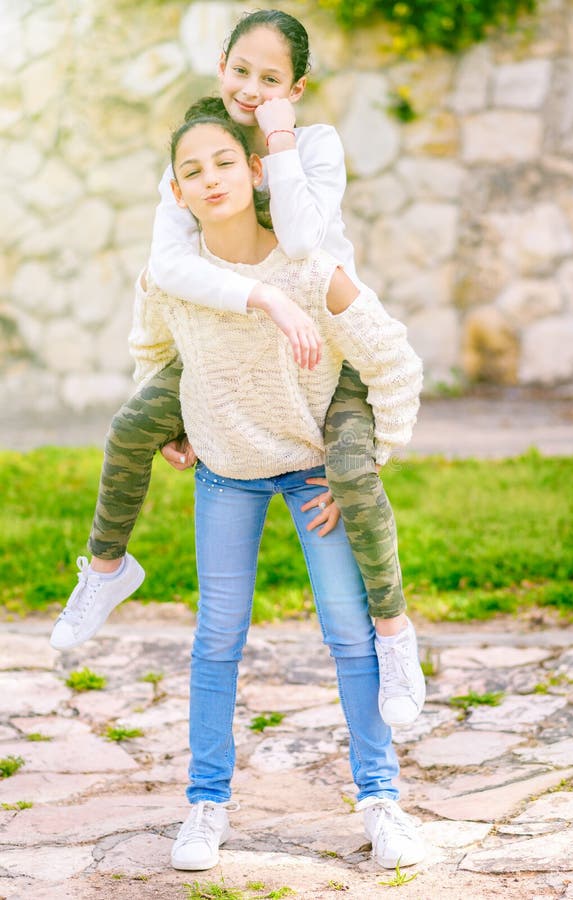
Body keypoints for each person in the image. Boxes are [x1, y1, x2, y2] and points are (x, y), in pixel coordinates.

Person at [50, 8, 425, 729]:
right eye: (242, 71)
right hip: (222, 342)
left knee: (350, 469)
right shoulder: (196, 152)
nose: (251, 88)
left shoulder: (311, 144)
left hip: (322, 346)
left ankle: (394, 634)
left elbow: (302, 237)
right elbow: (166, 268)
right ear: (220, 63)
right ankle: (105, 567)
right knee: (131, 424)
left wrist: (278, 139)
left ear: (298, 86)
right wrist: (247, 306)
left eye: (271, 78)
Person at [134, 111, 424, 872]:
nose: (210, 178)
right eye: (191, 171)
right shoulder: (171, 275)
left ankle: (380, 799)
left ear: (255, 171)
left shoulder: (305, 266)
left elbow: (393, 361)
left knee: (345, 629)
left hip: (309, 472)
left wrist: (370, 461)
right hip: (225, 472)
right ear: (177, 192)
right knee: (216, 638)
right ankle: (205, 805)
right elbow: (152, 352)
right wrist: (171, 423)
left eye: (223, 161)